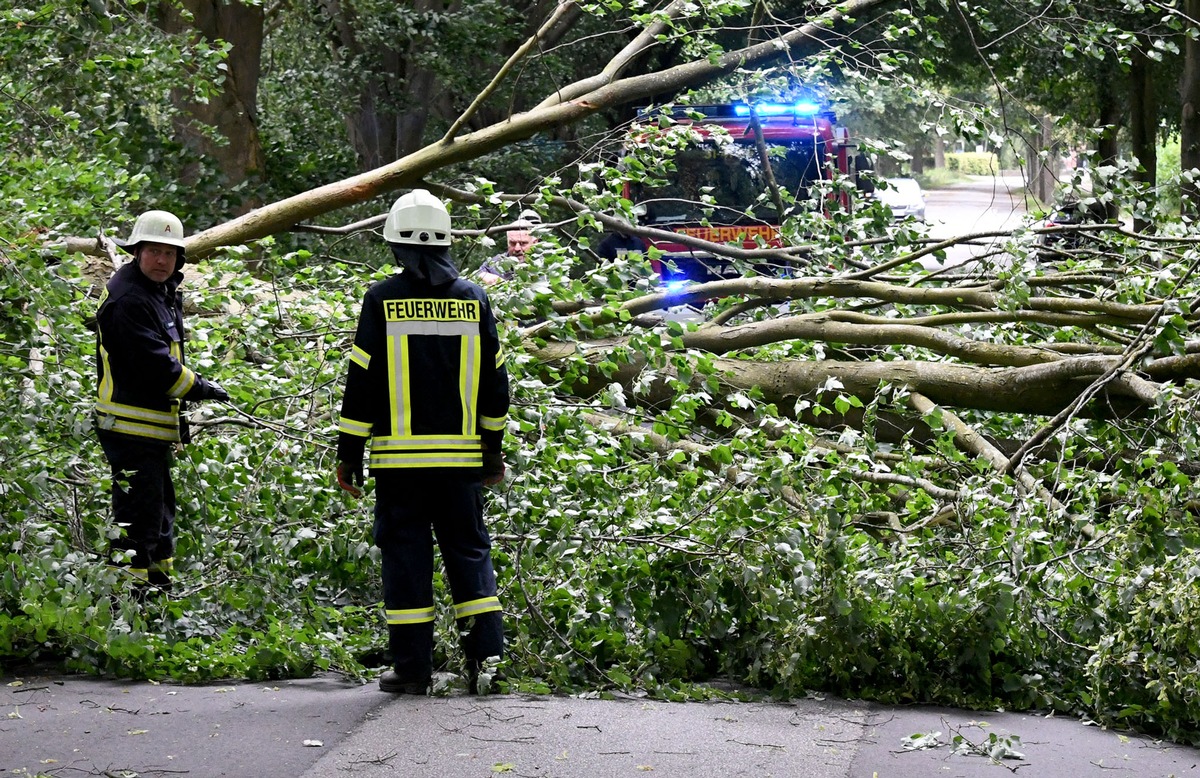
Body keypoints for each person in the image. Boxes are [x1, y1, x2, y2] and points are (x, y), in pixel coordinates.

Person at [335, 189, 510, 695]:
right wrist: (491, 453)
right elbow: (495, 386)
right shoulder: (474, 298)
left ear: (396, 246)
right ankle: (488, 665)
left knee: (406, 561)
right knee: (469, 553)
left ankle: (413, 670)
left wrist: (350, 455)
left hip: (400, 466)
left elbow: (361, 383)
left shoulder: (381, 300)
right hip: (461, 465)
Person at [94, 209, 230, 595]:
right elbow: (156, 365)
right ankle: (127, 604)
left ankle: (159, 592)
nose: (161, 260)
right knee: (139, 519)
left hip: (149, 427)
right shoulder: (130, 299)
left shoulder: (159, 291)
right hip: (129, 427)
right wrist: (201, 388)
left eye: (169, 254)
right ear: (137, 251)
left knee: (159, 513)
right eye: (154, 251)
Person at [478, 212, 539, 285]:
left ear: (535, 243)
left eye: (523, 243)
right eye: (512, 243)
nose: (517, 249)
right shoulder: (496, 264)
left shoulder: (546, 263)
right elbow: (476, 275)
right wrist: (483, 276)